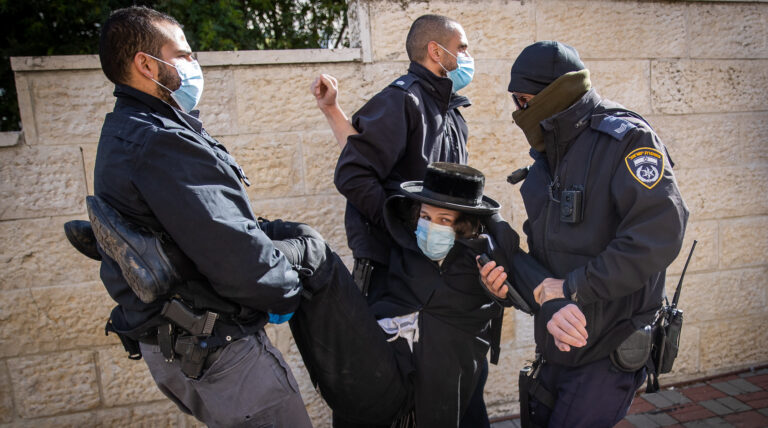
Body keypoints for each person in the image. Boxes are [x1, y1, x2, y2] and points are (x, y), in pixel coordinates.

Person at [83, 6, 312, 427]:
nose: (194, 65)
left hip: (180, 348)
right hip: (221, 355)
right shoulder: (159, 141)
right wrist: (290, 287)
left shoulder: (124, 130)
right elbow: (237, 259)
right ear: (146, 64)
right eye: (183, 55)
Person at [481, 41, 689, 427]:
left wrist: (574, 287)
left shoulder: (626, 139)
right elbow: (545, 263)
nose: (518, 113)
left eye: (524, 101)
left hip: (607, 349)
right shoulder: (548, 159)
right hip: (556, 346)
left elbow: (659, 233)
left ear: (554, 93)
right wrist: (508, 288)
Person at [311, 13, 488, 427]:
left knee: (459, 397)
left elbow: (364, 151)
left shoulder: (452, 113)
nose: (467, 56)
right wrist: (407, 232)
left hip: (438, 285)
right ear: (435, 51)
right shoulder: (402, 100)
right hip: (394, 279)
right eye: (461, 48)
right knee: (399, 404)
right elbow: (355, 174)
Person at [284, 162, 543, 428]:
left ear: (463, 226)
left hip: (446, 383)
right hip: (390, 378)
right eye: (426, 217)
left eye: (444, 220)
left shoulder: (480, 262)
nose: (430, 228)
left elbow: (520, 290)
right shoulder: (404, 244)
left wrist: (497, 294)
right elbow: (355, 178)